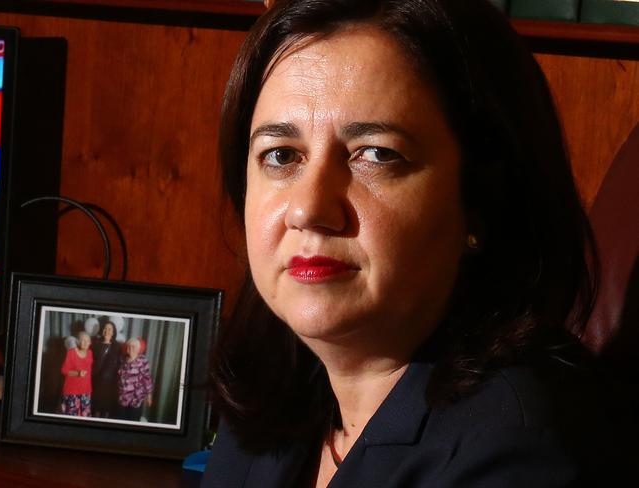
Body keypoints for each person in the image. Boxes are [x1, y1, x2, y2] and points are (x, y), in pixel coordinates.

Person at [203, 0, 634, 486]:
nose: (309, 209)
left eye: (376, 155)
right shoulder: (271, 408)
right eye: (281, 155)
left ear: (481, 201)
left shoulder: (518, 451)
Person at [116, 337, 153, 421]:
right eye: (129, 346)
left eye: (133, 347)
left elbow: (147, 379)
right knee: (121, 420)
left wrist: (149, 395)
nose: (130, 348)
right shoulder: (123, 359)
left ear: (138, 349)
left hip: (136, 398)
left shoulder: (143, 361)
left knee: (133, 420)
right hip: (123, 397)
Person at [91, 320, 121, 418]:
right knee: (95, 409)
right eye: (105, 328)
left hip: (110, 383)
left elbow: (119, 365)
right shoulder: (94, 344)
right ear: (102, 330)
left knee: (106, 410)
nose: (107, 331)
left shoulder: (117, 346)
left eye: (110, 329)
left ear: (113, 332)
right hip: (96, 381)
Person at [60, 331, 93, 417]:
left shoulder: (90, 353)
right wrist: (77, 373)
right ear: (78, 341)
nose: (85, 343)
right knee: (72, 417)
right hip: (72, 391)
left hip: (86, 391)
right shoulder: (71, 352)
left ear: (90, 343)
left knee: (85, 416)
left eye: (87, 340)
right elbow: (64, 370)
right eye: (82, 340)